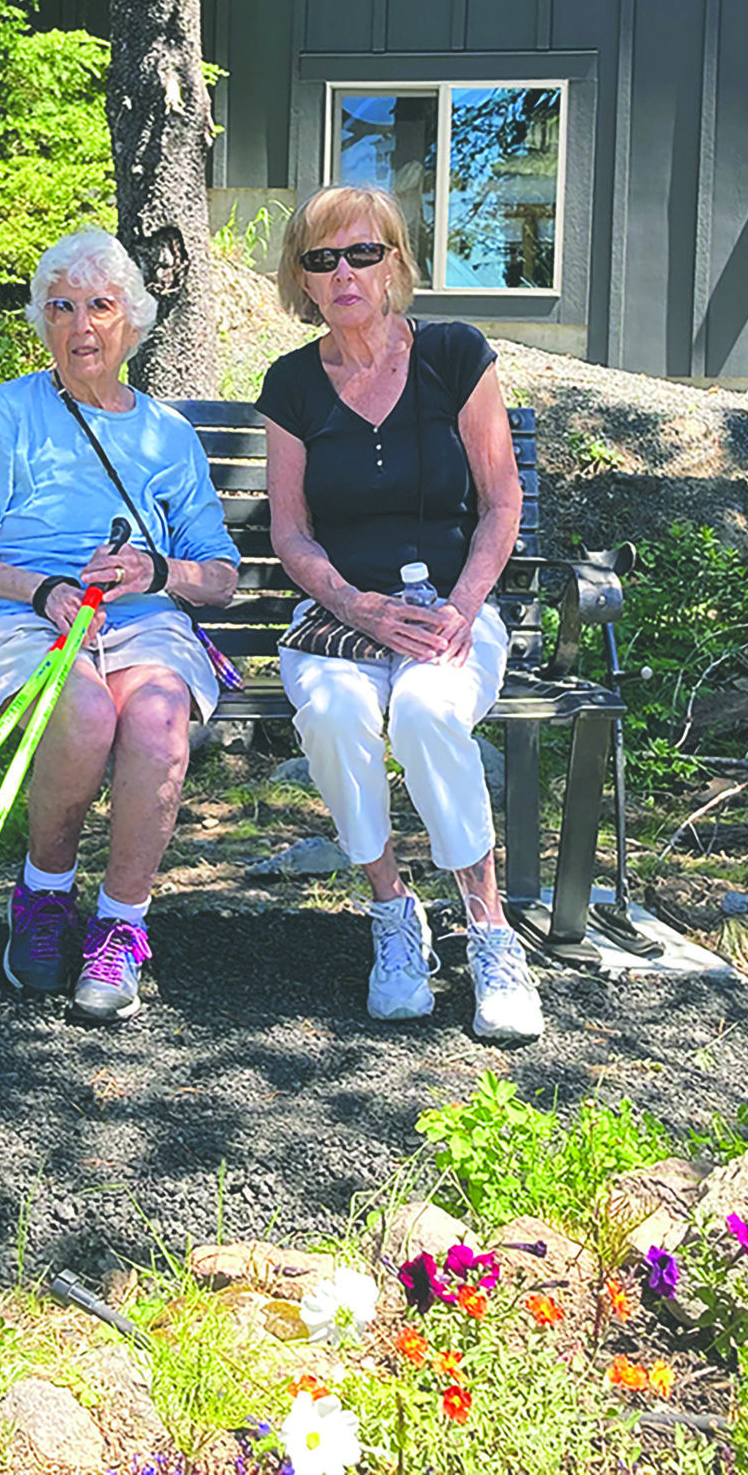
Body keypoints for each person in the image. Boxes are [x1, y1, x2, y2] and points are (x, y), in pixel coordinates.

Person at [0, 228, 241, 1023]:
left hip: (142, 622)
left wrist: (158, 574)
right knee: (85, 706)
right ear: (43, 324)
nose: (80, 327)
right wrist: (39, 591)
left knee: (159, 716)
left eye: (100, 306)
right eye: (60, 308)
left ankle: (121, 927)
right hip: (18, 615)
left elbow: (222, 576)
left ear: (132, 321)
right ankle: (44, 895)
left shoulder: (168, 434)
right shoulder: (10, 412)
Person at [256, 186, 545, 1044]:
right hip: (342, 621)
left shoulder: (454, 354)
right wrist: (357, 605)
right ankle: (393, 915)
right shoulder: (293, 385)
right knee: (339, 714)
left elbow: (500, 503)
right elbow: (291, 532)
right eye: (322, 259)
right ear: (302, 280)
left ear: (395, 264)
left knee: (424, 711)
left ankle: (489, 930)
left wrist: (460, 609)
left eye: (362, 253)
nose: (344, 273)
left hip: (450, 616)